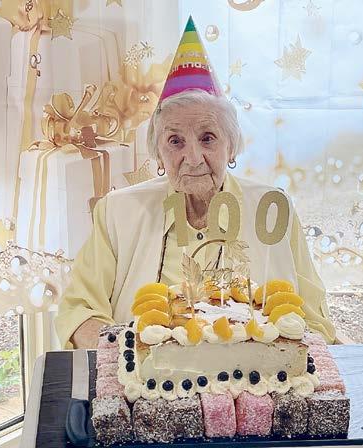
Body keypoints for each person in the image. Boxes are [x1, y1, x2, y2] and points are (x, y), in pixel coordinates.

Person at [54, 18, 336, 350]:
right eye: (175, 141)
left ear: (231, 147)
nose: (193, 157)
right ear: (158, 154)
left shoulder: (273, 208)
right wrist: (124, 358)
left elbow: (315, 321)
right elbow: (79, 310)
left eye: (207, 138)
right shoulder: (118, 211)